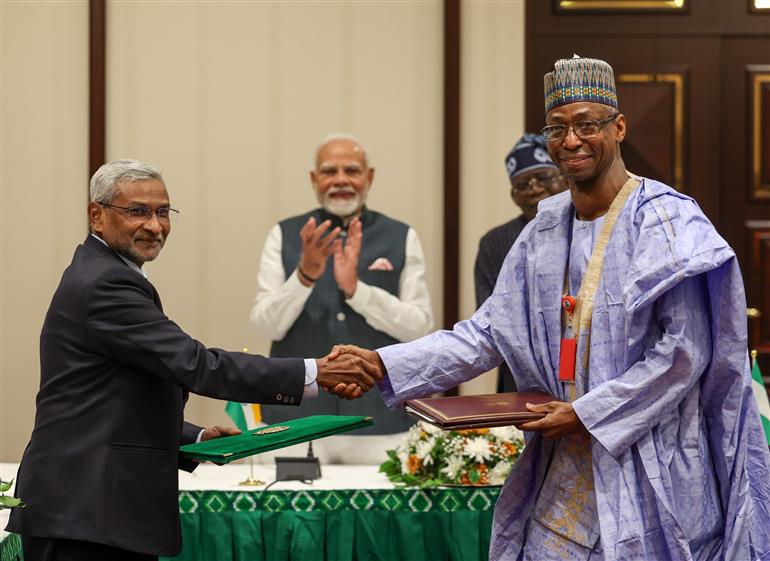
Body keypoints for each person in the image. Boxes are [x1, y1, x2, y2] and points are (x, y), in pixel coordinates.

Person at [331, 56, 770, 561]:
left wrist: (586, 414)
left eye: (587, 125)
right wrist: (383, 362)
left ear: (619, 127)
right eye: (558, 128)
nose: (572, 140)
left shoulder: (667, 221)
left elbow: (683, 354)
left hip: (653, 465)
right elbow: (488, 333)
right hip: (564, 467)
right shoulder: (543, 229)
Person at [6, 159, 377, 561]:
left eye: (163, 212)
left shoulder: (106, 272)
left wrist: (193, 437)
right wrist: (314, 371)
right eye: (138, 211)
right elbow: (195, 364)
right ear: (96, 215)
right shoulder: (105, 283)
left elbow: (112, 396)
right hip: (85, 513)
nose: (155, 225)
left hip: (88, 511)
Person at [250, 133, 433, 463]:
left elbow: (418, 328)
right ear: (314, 179)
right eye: (329, 171)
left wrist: (357, 291)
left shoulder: (402, 235)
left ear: (369, 177)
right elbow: (266, 327)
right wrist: (304, 276)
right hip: (296, 420)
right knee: (293, 514)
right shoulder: (284, 234)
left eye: (351, 170)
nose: (340, 181)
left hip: (381, 420)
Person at [474, 133, 567, 392]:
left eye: (544, 178)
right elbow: (489, 315)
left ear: (565, 180)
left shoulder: (587, 227)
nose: (535, 188)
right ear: (514, 196)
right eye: (523, 184)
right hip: (518, 379)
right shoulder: (494, 242)